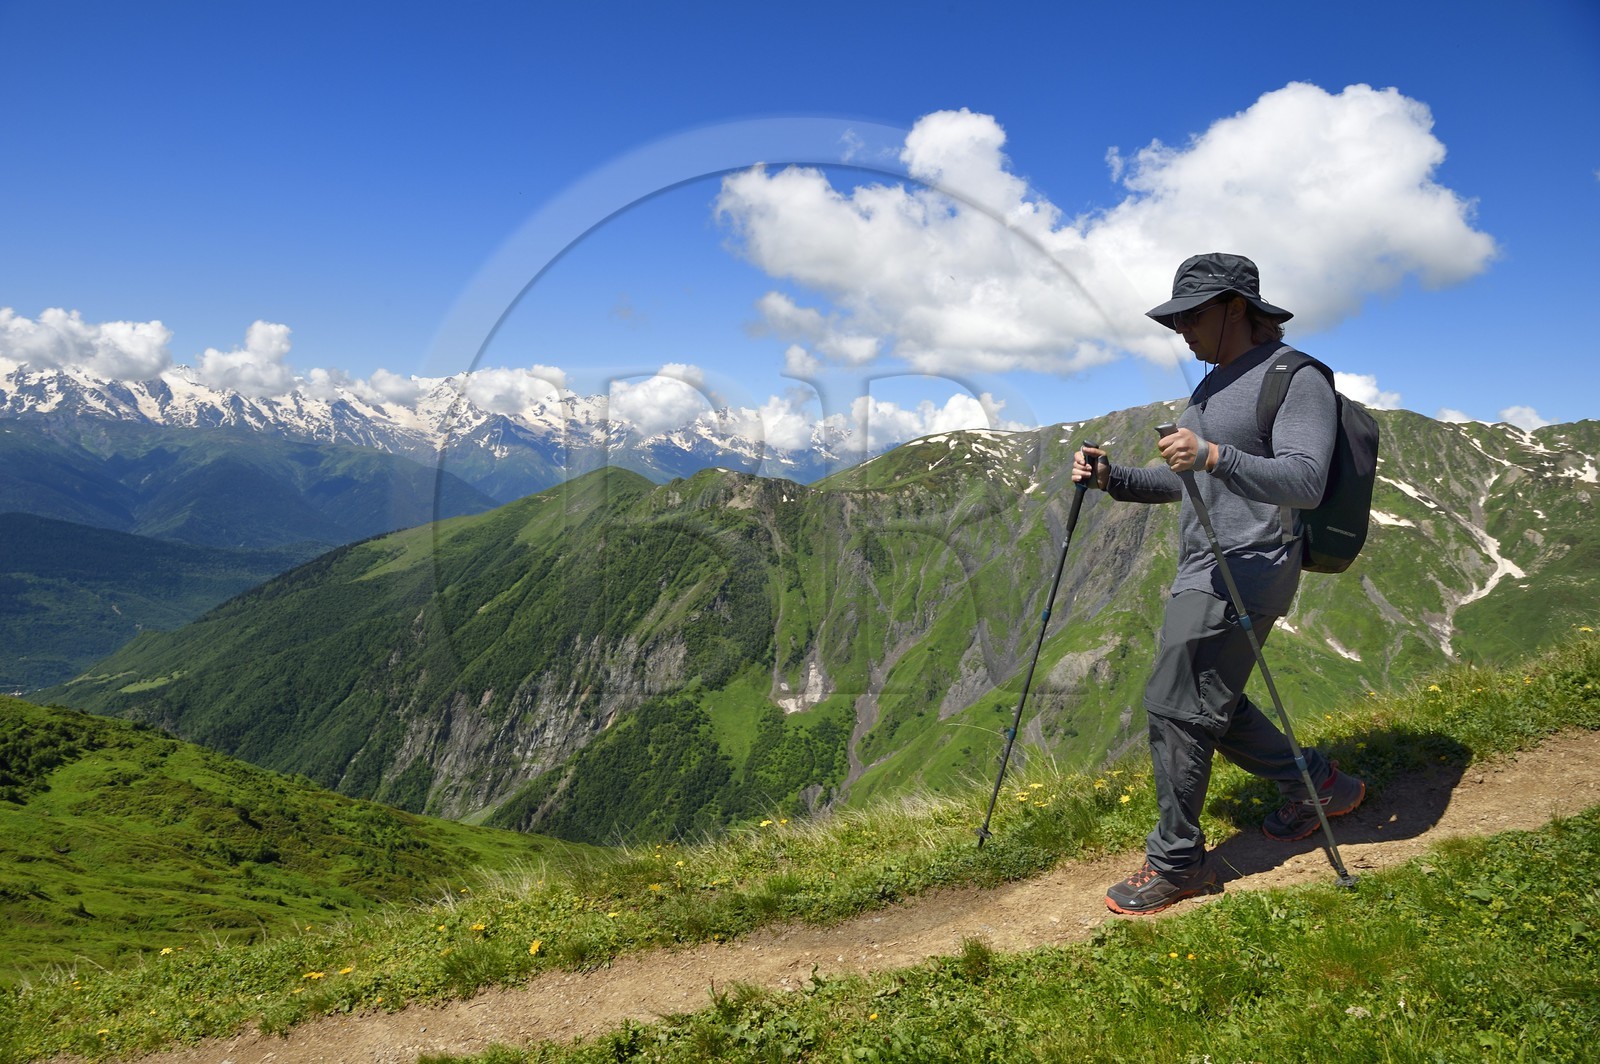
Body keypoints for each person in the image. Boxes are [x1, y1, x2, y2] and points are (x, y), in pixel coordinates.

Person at [1074, 252, 1365, 916]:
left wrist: (1213, 453)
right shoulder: (1210, 387)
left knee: (1175, 705)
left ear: (1237, 307)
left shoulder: (1295, 378)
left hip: (1250, 566)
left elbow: (1305, 479)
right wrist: (1112, 479)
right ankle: (1323, 787)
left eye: (1192, 316)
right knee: (1214, 701)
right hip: (1205, 567)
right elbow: (1192, 484)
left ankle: (1177, 863)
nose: (1182, 330)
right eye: (1175, 319)